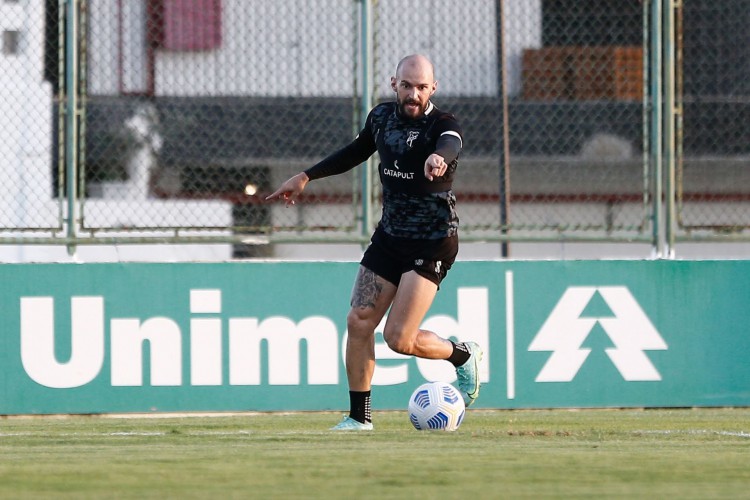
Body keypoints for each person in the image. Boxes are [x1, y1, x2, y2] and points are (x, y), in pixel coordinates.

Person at [265, 54, 482, 431]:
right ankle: (359, 417)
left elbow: (451, 143)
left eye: (421, 87)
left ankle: (461, 355)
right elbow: (355, 151)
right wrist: (306, 176)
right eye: (407, 85)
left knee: (399, 338)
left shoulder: (443, 124)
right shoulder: (381, 118)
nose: (413, 94)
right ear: (393, 83)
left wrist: (438, 158)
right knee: (358, 320)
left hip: (432, 241)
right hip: (389, 237)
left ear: (433, 88)